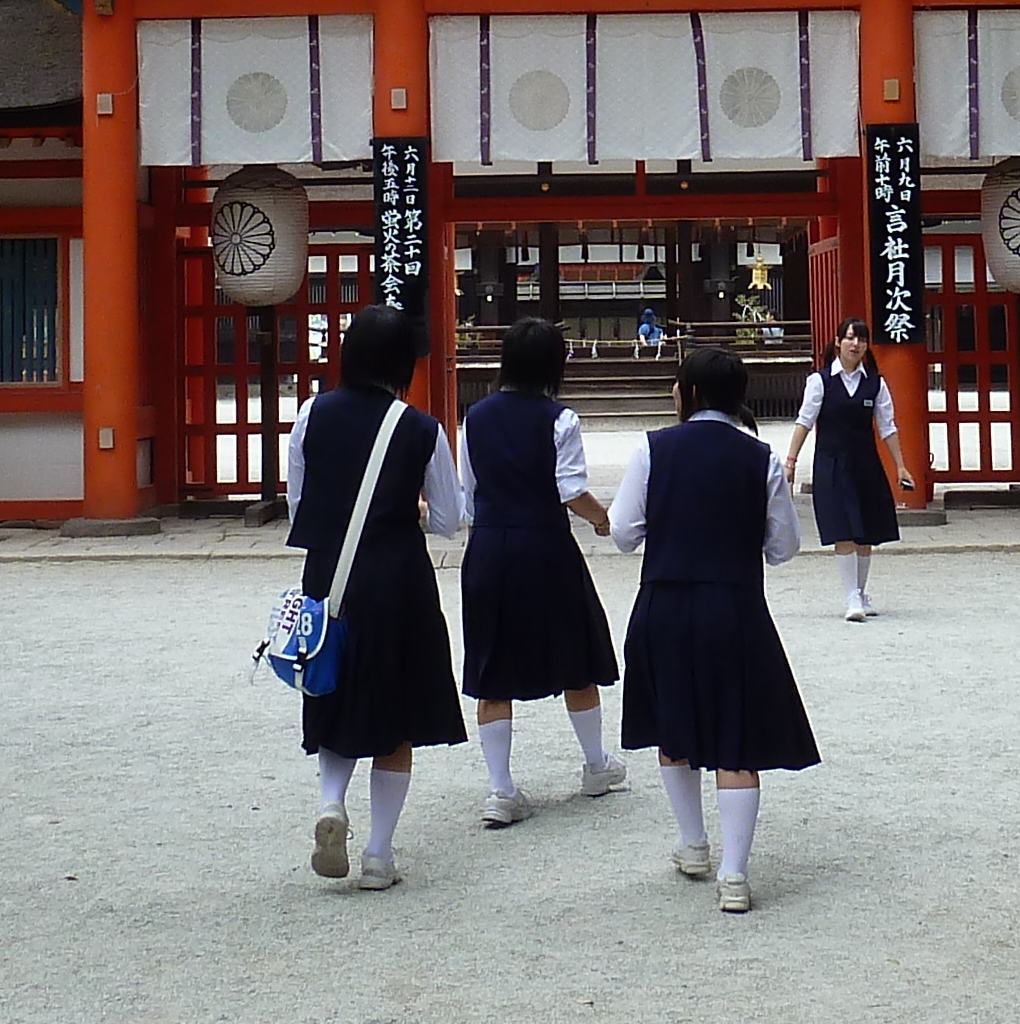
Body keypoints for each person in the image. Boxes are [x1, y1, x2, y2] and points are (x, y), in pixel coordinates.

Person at [614, 342, 819, 914]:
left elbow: (624, 532)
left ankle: (692, 845)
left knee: (673, 729)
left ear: (691, 393)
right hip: (735, 607)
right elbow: (784, 547)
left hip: (666, 602)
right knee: (736, 740)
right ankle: (734, 874)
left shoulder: (654, 449)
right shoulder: (760, 458)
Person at [281, 305, 467, 890]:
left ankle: (332, 803)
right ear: (402, 364)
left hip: (330, 576)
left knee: (333, 689)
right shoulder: (419, 427)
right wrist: (406, 507)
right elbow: (449, 519)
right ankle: (379, 856)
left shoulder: (312, 413)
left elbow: (297, 505)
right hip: (398, 581)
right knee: (397, 717)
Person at [458, 316, 625, 824]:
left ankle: (501, 789)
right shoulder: (560, 418)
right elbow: (569, 488)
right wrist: (603, 519)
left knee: (492, 665)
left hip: (489, 547)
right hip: (545, 546)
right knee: (574, 652)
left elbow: (469, 495)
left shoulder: (475, 418)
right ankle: (596, 765)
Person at [789, 320, 918, 619]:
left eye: (860, 339)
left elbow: (888, 427)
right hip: (831, 462)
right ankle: (851, 597)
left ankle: (860, 592)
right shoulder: (820, 381)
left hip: (865, 463)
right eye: (849, 338)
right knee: (843, 529)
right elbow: (804, 421)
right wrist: (790, 461)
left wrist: (901, 466)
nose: (855, 344)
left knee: (866, 532)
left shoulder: (876, 383)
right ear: (837, 342)